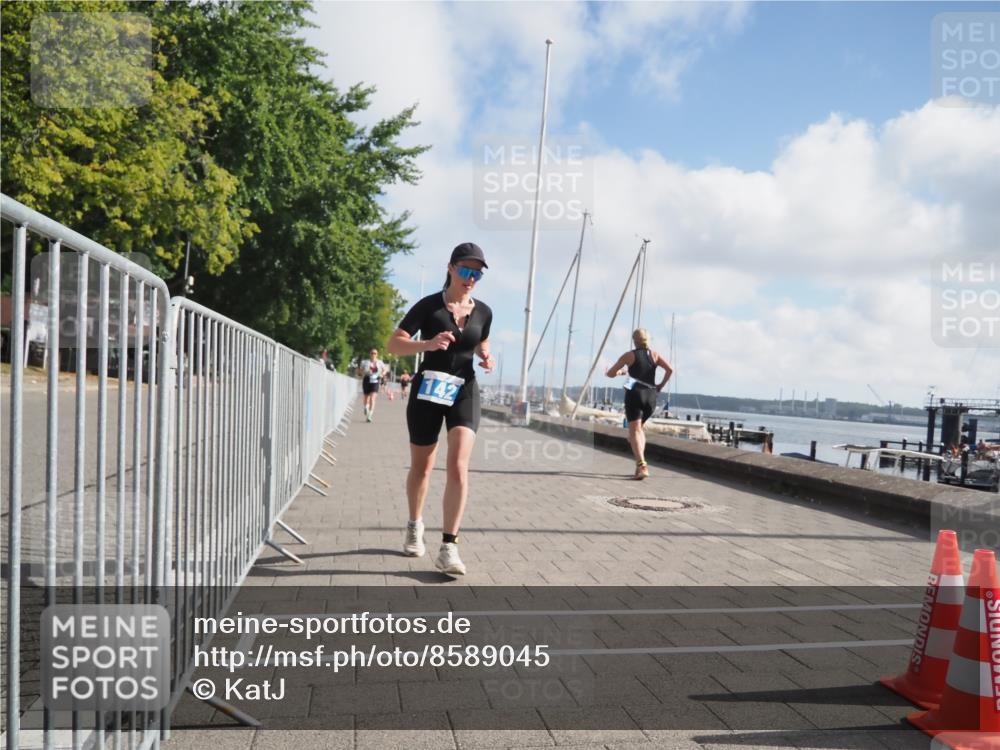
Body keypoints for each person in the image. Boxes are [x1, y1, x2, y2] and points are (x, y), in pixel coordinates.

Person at [386, 242, 494, 575]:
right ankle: (415, 524)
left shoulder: (484, 311)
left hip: (464, 389)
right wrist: (427, 344)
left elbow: (480, 340)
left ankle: (449, 547)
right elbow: (393, 343)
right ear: (450, 268)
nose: (471, 278)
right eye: (465, 270)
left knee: (459, 465)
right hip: (429, 388)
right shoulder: (429, 306)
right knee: (422, 467)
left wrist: (485, 355)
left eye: (476, 273)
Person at [605, 328, 673, 479]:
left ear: (634, 340)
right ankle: (640, 464)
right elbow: (670, 369)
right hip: (651, 396)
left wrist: (614, 372)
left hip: (635, 394)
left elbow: (610, 374)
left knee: (634, 431)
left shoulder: (629, 355)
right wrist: (660, 385)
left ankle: (642, 466)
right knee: (639, 430)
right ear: (647, 340)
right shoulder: (654, 355)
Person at [358, 348, 388, 422]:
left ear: (377, 355)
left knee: (372, 398)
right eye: (372, 353)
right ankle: (366, 408)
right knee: (366, 397)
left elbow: (385, 370)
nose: (373, 354)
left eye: (375, 353)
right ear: (370, 354)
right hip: (367, 379)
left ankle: (370, 416)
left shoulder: (380, 362)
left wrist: (382, 374)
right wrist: (364, 372)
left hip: (376, 380)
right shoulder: (365, 362)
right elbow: (360, 371)